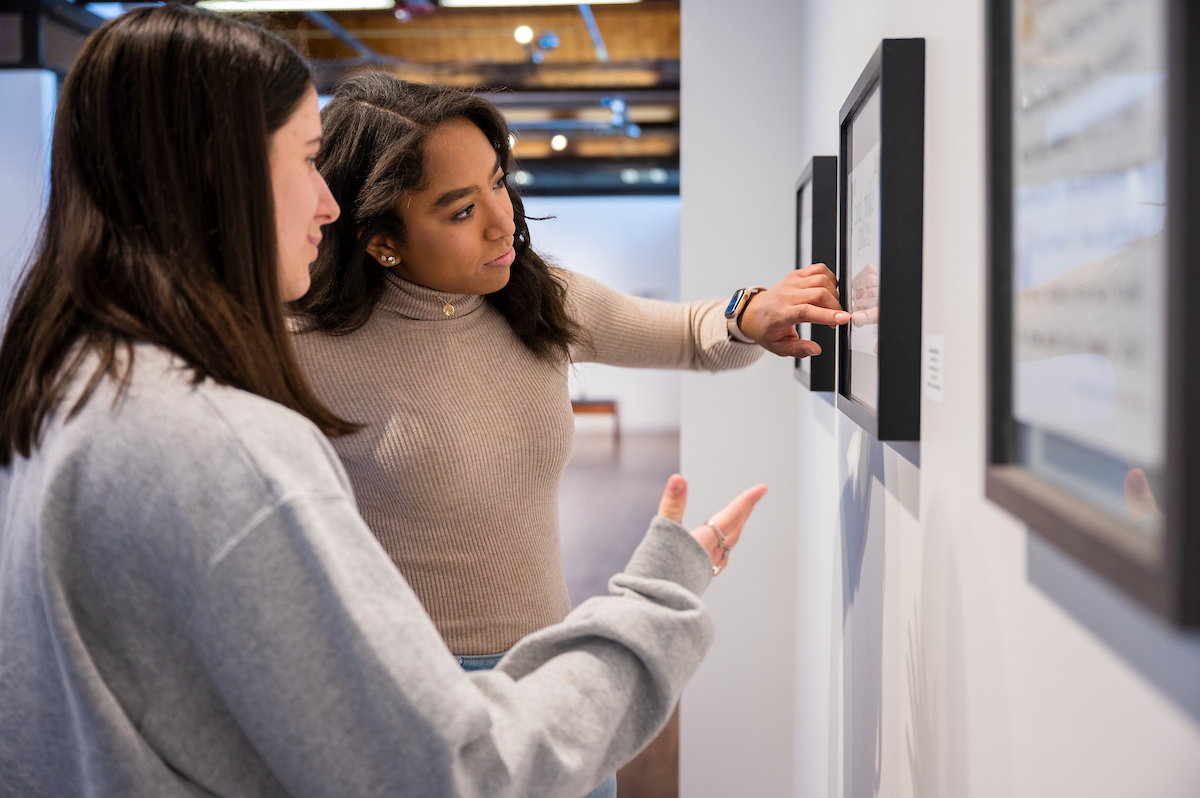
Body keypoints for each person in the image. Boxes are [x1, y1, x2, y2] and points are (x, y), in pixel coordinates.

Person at [0, 7, 767, 796]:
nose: (325, 206)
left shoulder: (69, 389)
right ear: (217, 177)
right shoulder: (225, 444)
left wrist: (747, 314)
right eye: (306, 161)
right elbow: (461, 772)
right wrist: (658, 598)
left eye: (496, 187)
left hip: (523, 662)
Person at [292, 76, 849, 678]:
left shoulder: (539, 301)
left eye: (498, 183)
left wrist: (750, 314)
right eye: (461, 210)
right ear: (381, 243)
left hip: (552, 667)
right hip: (403, 687)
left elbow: (695, 334)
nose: (503, 222)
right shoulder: (300, 351)